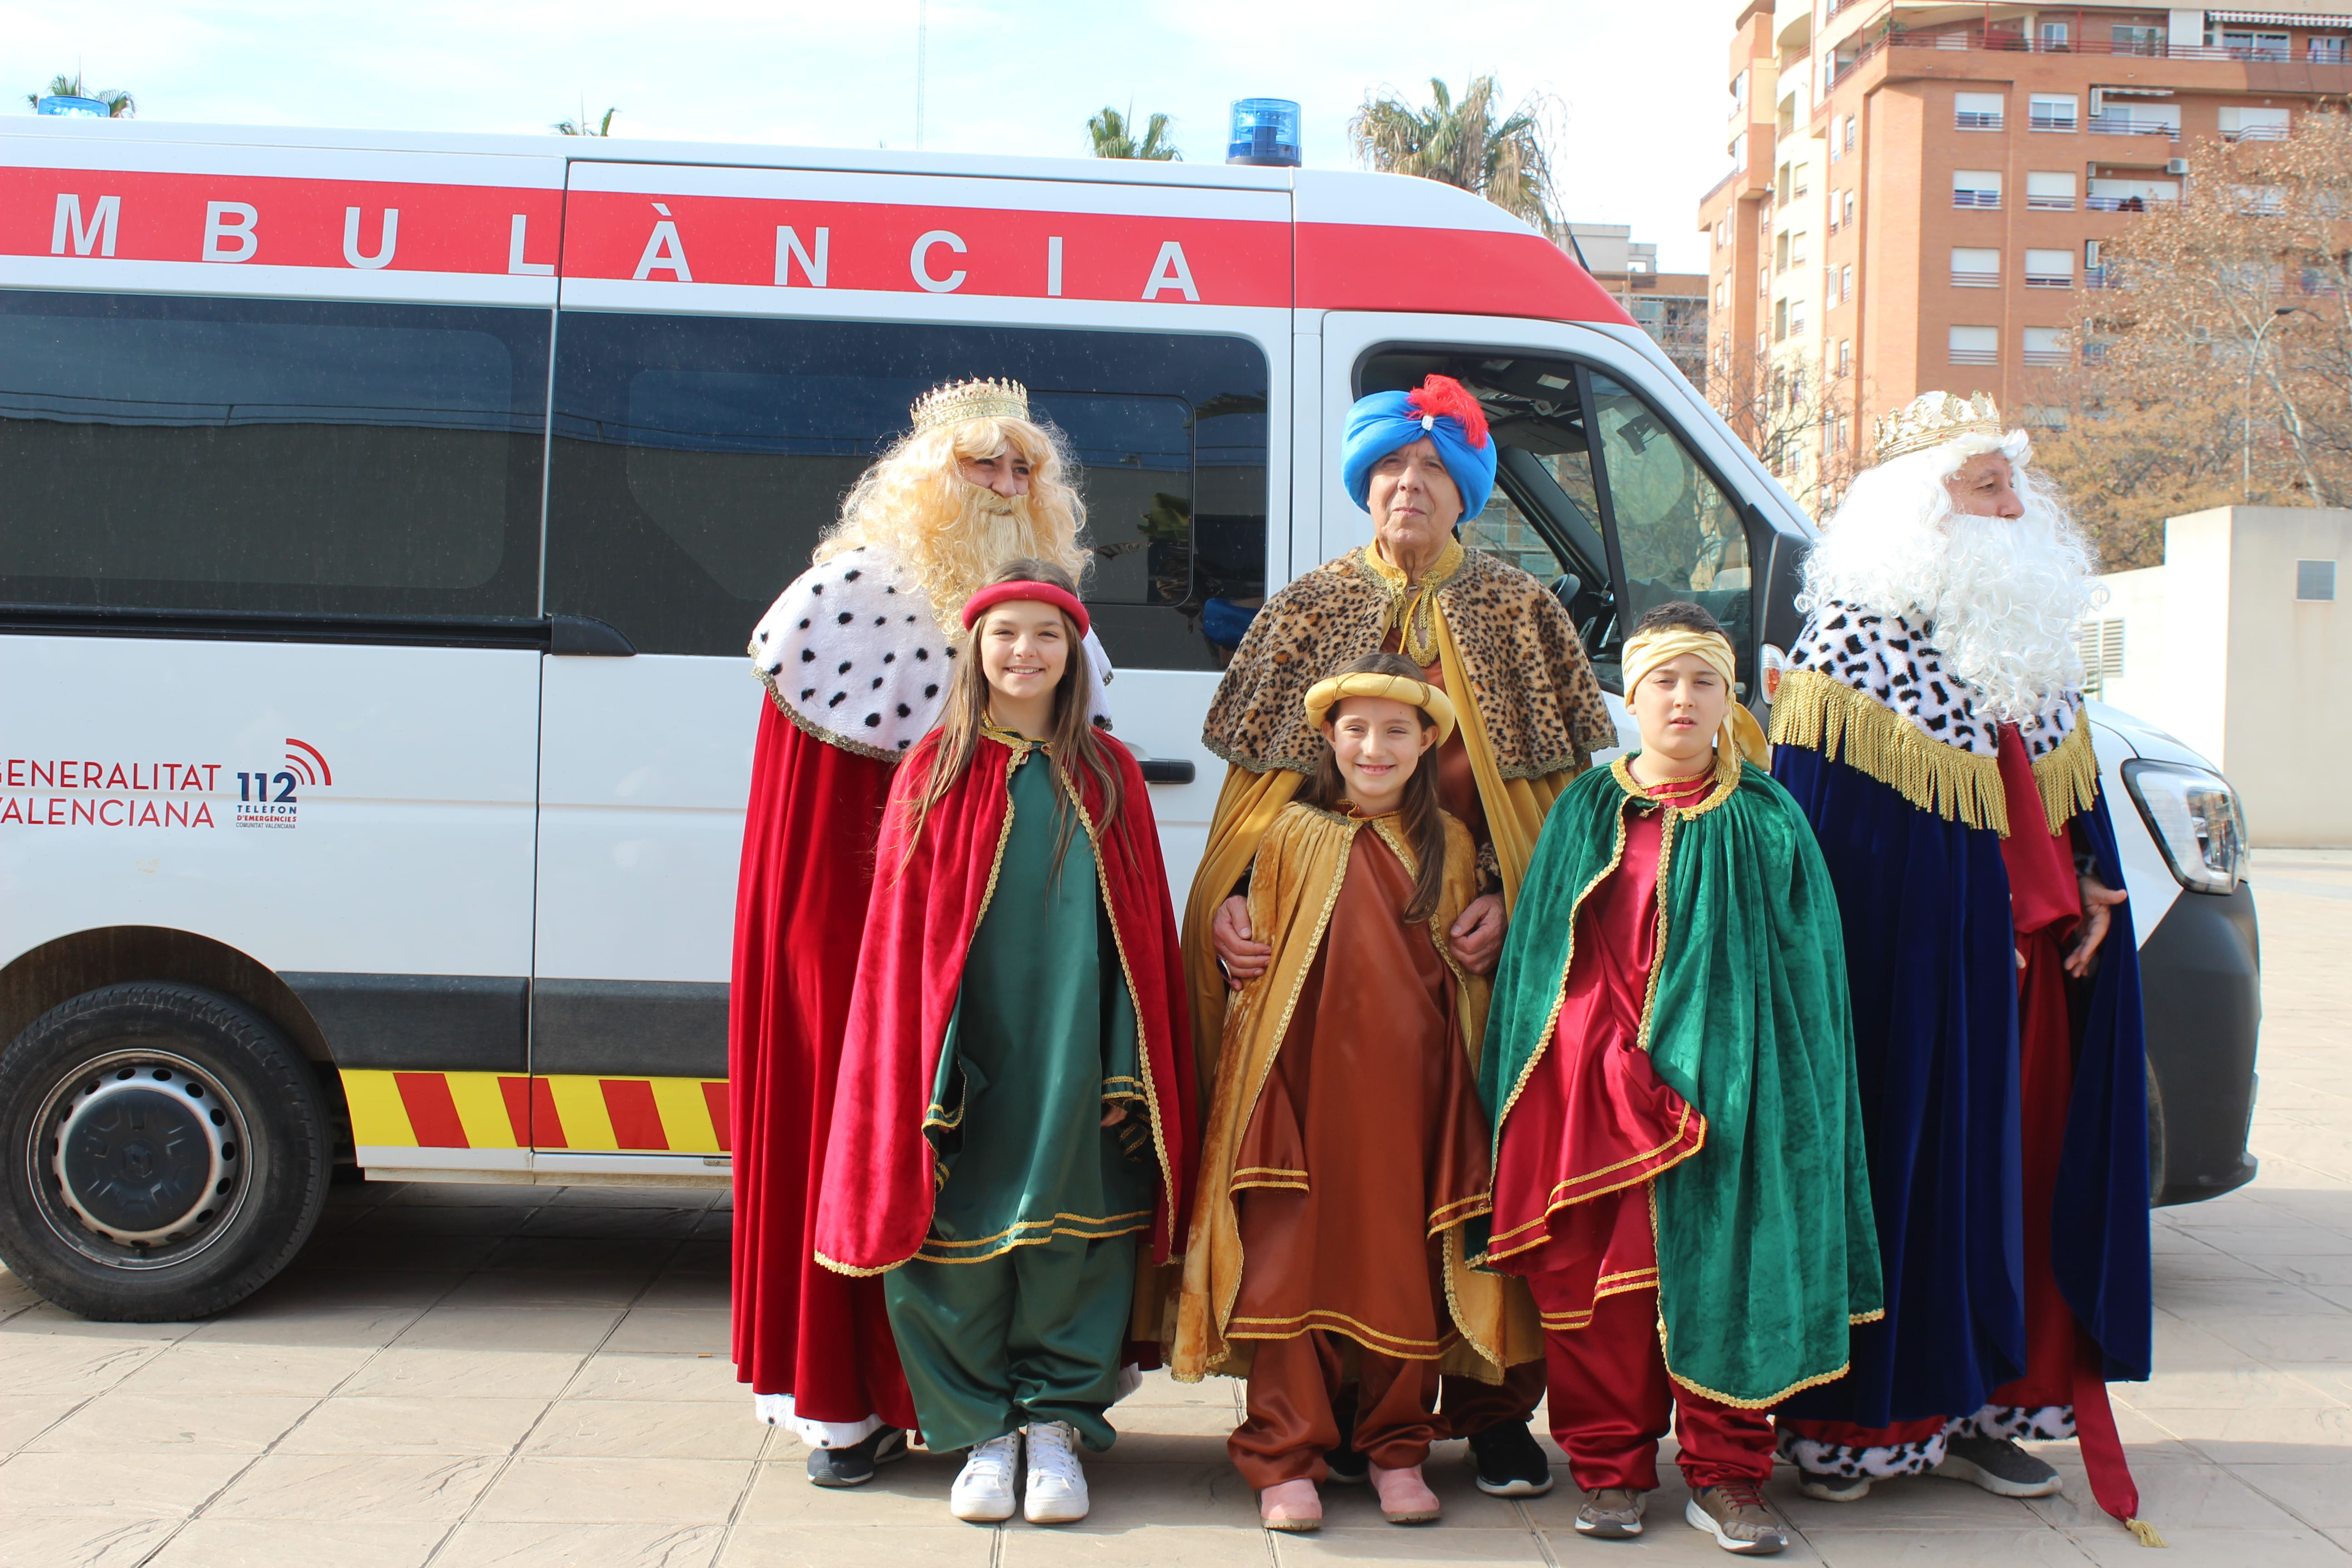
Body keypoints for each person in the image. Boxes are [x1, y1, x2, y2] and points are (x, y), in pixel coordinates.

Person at [1185, 374, 1617, 1495]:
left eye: (1431, 472)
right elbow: (1253, 799)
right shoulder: (1307, 608)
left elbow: (1563, 807)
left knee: (1487, 1163)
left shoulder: (1524, 615)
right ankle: (1313, 1419)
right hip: (1326, 945)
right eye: (1390, 470)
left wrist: (1516, 909)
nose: (1409, 487)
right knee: (1320, 1181)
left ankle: (1488, 1406)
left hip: (1477, 944)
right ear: (1363, 486)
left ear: (1467, 492)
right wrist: (1232, 900)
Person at [1769, 393, 2160, 1545]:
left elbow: (2061, 799)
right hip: (1912, 986)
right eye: (1986, 486)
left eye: (2011, 485)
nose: (2012, 506)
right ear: (1919, 510)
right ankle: (1871, 1419)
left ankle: (1997, 1404)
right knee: (1907, 1186)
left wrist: (2089, 876)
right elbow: (1818, 847)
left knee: (2024, 1204)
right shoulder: (1846, 657)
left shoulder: (2029, 647)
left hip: (2036, 982)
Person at [730, 377, 1110, 1487]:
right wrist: (833, 967)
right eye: (980, 465)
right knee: (855, 1143)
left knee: (1000, 1162)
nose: (1003, 485)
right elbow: (801, 828)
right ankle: (850, 1401)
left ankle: (990, 1399)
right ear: (925, 480)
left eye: (1023, 469)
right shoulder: (843, 597)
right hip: (862, 944)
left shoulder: (1044, 617)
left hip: (1005, 955)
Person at [1475, 603, 1881, 1555]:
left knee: (1734, 1278)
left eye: (1705, 681)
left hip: (1736, 1101)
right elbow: (1545, 962)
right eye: (1665, 681)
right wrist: (1597, 1053)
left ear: (1729, 697)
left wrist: (1764, 1091)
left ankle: (1729, 1475)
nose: (1685, 701)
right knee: (1605, 1289)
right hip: (1601, 1093)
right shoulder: (1587, 809)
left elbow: (1805, 982)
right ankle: (1612, 1472)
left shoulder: (1768, 818)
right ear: (1631, 693)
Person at [813, 561, 1197, 1526]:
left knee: (1076, 1240)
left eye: (1047, 636)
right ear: (974, 652)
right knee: (953, 1243)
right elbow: (903, 951)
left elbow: (1139, 939)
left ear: (1074, 658)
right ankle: (980, 1431)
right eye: (1006, 634)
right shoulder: (933, 771)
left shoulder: (1109, 775)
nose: (1025, 653)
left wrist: (1125, 1061)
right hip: (968, 1054)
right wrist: (931, 1061)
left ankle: (1058, 1426)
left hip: (1077, 1048)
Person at [1174, 652, 1522, 1531]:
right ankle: (1284, 1451)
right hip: (1301, 1096)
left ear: (1427, 742)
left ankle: (1397, 1447)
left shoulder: (1449, 846)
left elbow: (1460, 988)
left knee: (1401, 1271)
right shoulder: (1288, 833)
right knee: (1289, 1270)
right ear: (1328, 737)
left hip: (1410, 1108)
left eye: (1396, 731)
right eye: (1357, 729)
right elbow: (1260, 968)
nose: (1375, 747)